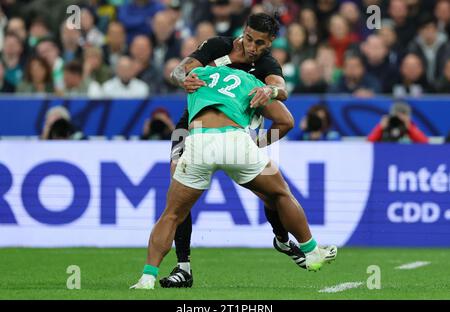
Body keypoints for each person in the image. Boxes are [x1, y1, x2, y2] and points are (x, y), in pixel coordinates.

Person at [130, 65, 338, 290]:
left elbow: (176, 74)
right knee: (279, 194)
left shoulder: (198, 74)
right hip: (236, 142)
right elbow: (286, 121)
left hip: (199, 140)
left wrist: (181, 80)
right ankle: (310, 249)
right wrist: (260, 142)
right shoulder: (251, 83)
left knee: (171, 215)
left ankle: (147, 278)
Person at [159, 13, 326, 288]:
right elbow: (179, 70)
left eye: (260, 43)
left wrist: (262, 130)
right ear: (243, 31)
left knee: (273, 194)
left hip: (237, 135)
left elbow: (281, 91)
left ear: (271, 42)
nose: (252, 47)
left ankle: (282, 241)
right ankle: (183, 267)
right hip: (189, 126)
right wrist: (182, 80)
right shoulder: (216, 45)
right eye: (248, 38)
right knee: (178, 195)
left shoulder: (266, 64)